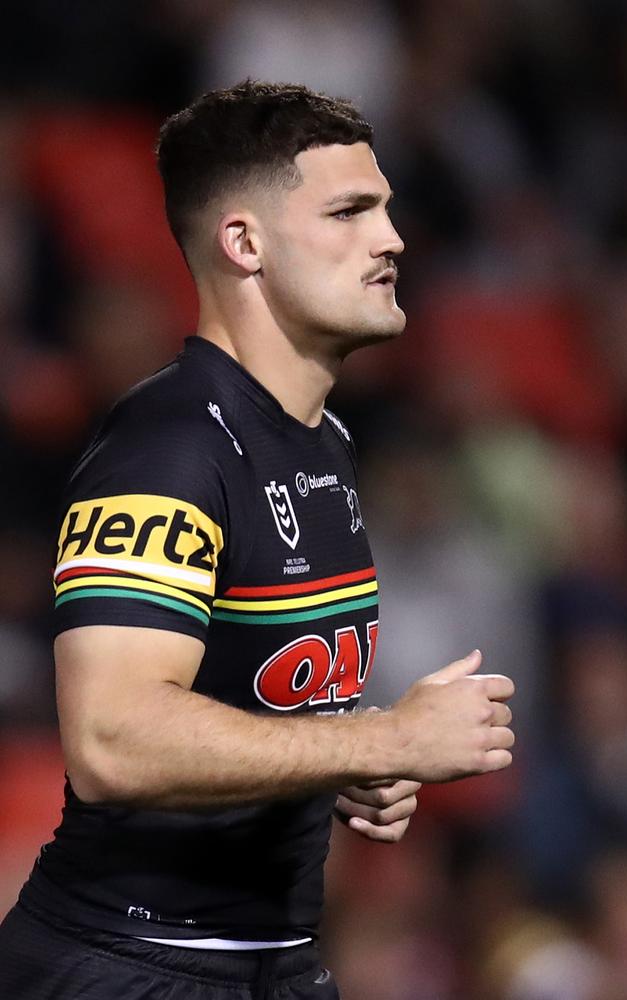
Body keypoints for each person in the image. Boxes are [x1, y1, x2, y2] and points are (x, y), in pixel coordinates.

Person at [0, 80, 515, 1000]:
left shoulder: (328, 441)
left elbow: (250, 704)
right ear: (244, 243)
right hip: (127, 966)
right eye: (350, 211)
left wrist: (357, 751)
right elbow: (111, 739)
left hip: (267, 963)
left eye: (387, 210)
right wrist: (380, 743)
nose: (391, 238)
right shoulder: (167, 450)